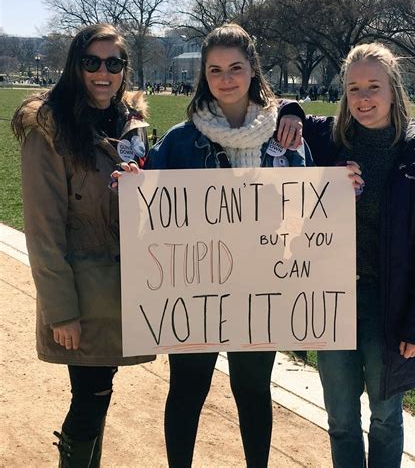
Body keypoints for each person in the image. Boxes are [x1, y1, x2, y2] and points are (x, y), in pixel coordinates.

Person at [112, 23, 361, 468]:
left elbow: (305, 211)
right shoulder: (181, 139)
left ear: (253, 70)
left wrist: (342, 192)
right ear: (203, 76)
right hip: (195, 288)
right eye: (214, 70)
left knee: (252, 391)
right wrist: (135, 184)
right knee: (188, 389)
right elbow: (150, 206)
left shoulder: (285, 138)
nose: (225, 79)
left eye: (235, 68)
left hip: (261, 286)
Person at [279, 43, 415, 468]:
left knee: (386, 417)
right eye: (354, 88)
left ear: (394, 90)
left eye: (374, 86)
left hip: (388, 305)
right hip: (330, 301)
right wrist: (293, 114)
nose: (363, 98)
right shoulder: (326, 141)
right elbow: (281, 110)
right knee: (339, 419)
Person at [11, 23, 155, 466]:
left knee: (100, 394)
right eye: (91, 62)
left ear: (124, 70)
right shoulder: (49, 129)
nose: (103, 72)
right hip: (82, 290)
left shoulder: (134, 126)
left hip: (125, 290)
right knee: (91, 399)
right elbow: (43, 230)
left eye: (114, 63)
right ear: (76, 65)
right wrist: (61, 312)